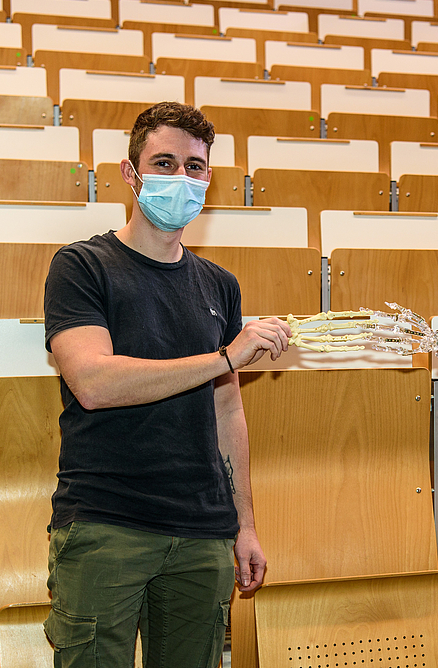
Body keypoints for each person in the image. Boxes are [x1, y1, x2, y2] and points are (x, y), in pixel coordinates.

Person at [41, 101, 292, 666]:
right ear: (131, 175)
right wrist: (224, 356)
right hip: (108, 523)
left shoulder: (218, 284)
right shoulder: (82, 266)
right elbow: (93, 382)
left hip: (202, 530)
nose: (181, 178)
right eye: (164, 162)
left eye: (195, 167)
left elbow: (228, 413)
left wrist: (244, 525)